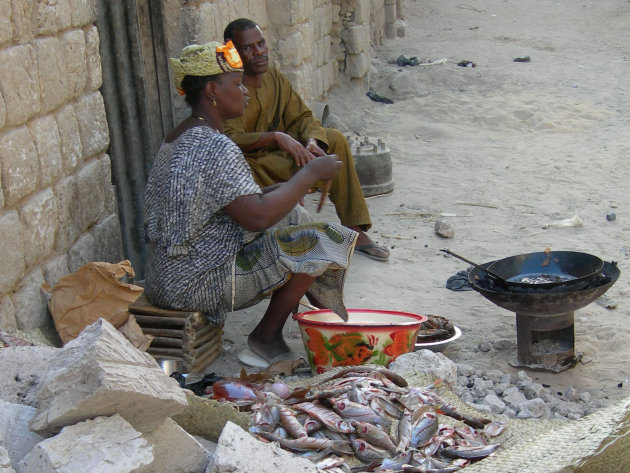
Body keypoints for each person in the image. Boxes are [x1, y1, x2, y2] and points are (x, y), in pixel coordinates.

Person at [143, 40, 357, 367]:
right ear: (212, 90)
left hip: (167, 275)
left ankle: (298, 308)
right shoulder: (215, 146)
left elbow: (246, 202)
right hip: (195, 282)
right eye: (237, 84)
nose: (245, 91)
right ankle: (265, 338)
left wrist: (289, 187)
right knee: (322, 241)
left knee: (296, 216)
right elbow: (255, 218)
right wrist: (309, 173)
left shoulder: (182, 135)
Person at [223, 18, 390, 262]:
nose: (259, 51)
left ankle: (354, 229)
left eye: (261, 43)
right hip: (251, 165)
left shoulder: (274, 78)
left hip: (279, 156)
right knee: (287, 166)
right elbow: (230, 138)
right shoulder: (230, 85)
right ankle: (294, 235)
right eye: (248, 47)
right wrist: (276, 137)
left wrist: (313, 142)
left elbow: (302, 117)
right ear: (233, 53)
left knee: (335, 141)